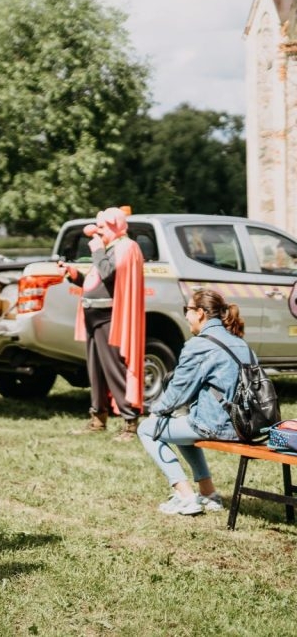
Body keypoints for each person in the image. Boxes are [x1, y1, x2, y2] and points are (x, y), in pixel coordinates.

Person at [137, 289, 244, 515]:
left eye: (188, 310)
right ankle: (208, 493)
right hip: (244, 425)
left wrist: (156, 412)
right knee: (181, 421)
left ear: (201, 313)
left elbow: (179, 389)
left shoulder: (200, 344)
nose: (186, 316)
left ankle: (185, 495)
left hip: (216, 425)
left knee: (146, 429)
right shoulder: (238, 341)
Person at [60, 207, 146, 441]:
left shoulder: (126, 247)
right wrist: (74, 274)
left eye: (102, 227)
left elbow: (108, 273)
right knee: (95, 371)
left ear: (114, 226)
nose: (97, 232)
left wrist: (97, 251)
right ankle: (98, 417)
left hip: (110, 316)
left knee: (114, 368)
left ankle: (130, 423)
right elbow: (96, 279)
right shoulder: (110, 248)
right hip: (93, 315)